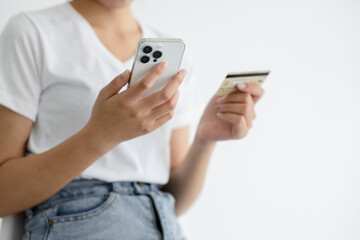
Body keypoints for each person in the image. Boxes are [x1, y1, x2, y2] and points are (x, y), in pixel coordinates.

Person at [0, 0, 264, 239]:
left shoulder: (173, 50)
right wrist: (101, 136)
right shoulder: (32, 32)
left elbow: (175, 200)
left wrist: (205, 140)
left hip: (164, 226)